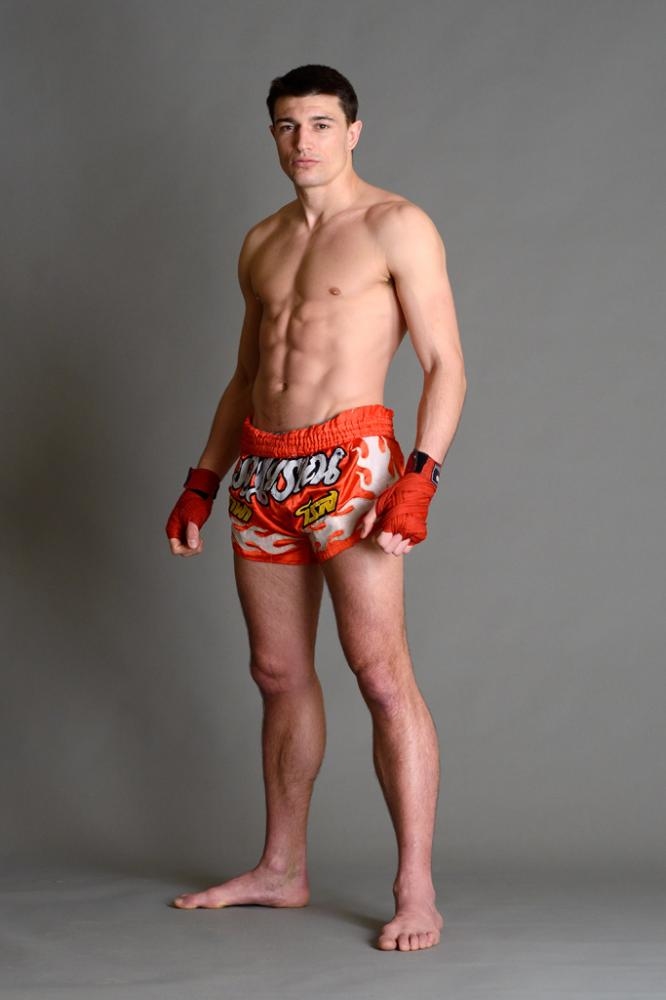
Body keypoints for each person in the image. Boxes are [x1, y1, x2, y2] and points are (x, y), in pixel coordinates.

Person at [165, 64, 467, 953]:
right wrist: (203, 478)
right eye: (288, 125)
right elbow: (246, 375)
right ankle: (281, 868)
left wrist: (421, 475)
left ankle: (415, 888)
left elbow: (445, 363)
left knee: (380, 674)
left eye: (323, 124)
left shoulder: (396, 224)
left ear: (354, 131)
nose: (305, 141)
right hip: (263, 469)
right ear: (272, 135)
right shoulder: (261, 242)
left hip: (354, 467)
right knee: (276, 674)